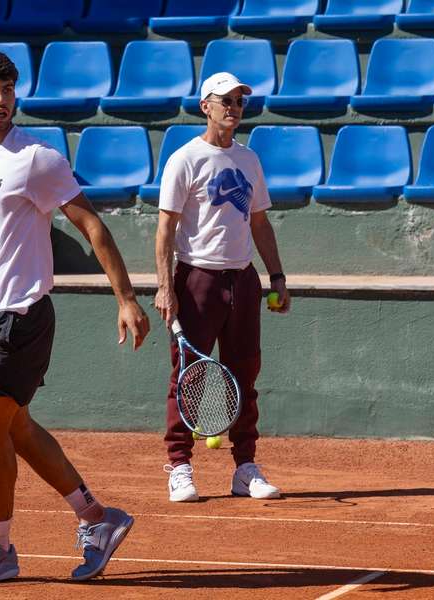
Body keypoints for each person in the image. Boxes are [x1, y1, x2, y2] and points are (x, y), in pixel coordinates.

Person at [0, 50, 150, 586]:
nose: (1, 100)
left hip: (22, 315)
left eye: (8, 90)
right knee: (15, 428)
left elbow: (92, 227)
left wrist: (126, 298)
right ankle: (96, 517)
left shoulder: (37, 159)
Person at [153, 72, 291, 503]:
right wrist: (165, 287)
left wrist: (277, 277)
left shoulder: (249, 160)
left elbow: (260, 223)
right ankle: (179, 466)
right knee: (188, 377)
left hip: (243, 281)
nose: (233, 107)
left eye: (239, 101)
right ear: (205, 107)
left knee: (245, 375)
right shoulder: (185, 159)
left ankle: (245, 468)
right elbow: (165, 229)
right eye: (224, 100)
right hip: (197, 281)